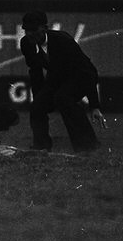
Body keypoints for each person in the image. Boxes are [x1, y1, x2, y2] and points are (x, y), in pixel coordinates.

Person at [19, 10, 105, 153]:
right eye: (26, 30)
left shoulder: (63, 40)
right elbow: (35, 72)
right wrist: (39, 99)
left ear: (44, 28)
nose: (30, 34)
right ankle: (41, 147)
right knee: (37, 107)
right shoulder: (26, 44)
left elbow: (87, 72)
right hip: (58, 78)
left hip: (81, 77)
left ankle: (87, 145)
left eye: (34, 29)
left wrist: (94, 106)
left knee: (63, 98)